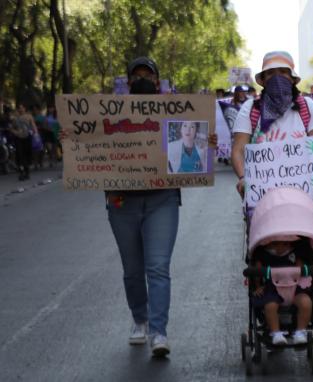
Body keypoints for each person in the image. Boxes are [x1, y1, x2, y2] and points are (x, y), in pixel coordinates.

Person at [104, 57, 217, 358]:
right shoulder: (109, 113)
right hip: (122, 200)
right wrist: (73, 138)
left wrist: (209, 142)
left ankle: (159, 332)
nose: (142, 79)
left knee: (157, 267)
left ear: (158, 81)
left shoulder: (174, 110)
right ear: (127, 83)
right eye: (136, 75)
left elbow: (193, 143)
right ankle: (139, 319)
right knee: (132, 269)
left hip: (162, 199)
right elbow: (88, 141)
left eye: (148, 75)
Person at [231, 51, 313, 196]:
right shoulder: (250, 109)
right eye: (270, 73)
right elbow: (238, 150)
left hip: (301, 196)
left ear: (292, 79)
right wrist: (243, 178)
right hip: (260, 198)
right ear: (263, 80)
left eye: (283, 72)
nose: (277, 78)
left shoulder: (307, 107)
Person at [251, 238, 313, 345]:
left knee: (306, 303)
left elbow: (301, 267)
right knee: (270, 306)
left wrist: (303, 267)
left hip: (296, 287)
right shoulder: (262, 254)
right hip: (272, 289)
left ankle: (300, 331)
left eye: (286, 244)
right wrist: (258, 286)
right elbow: (257, 273)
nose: (283, 247)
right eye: (275, 244)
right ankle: (276, 333)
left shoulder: (297, 251)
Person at [9, 102, 38, 180]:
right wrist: (16, 132)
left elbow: (33, 125)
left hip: (27, 137)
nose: (20, 109)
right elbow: (11, 128)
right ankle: (21, 172)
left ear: (25, 108)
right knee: (20, 154)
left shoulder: (29, 116)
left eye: (22, 107)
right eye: (19, 108)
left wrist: (36, 134)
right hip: (18, 138)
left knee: (27, 154)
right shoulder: (15, 118)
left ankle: (27, 171)